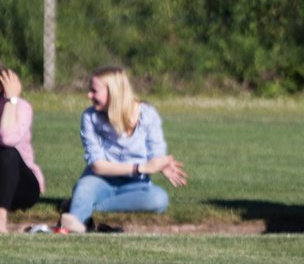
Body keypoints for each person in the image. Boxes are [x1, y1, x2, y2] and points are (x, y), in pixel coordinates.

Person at [58, 66, 187, 233]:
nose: (89, 95)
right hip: (98, 179)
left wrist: (161, 164)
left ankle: (81, 202)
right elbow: (98, 166)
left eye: (94, 91)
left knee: (159, 199)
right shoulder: (90, 118)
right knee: (85, 187)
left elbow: (156, 155)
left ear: (114, 92)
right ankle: (77, 222)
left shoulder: (147, 115)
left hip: (135, 184)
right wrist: (139, 168)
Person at [0, 66, 44, 233]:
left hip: (22, 185)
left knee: (8, 153)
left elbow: (7, 138)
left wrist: (11, 99)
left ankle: (1, 217)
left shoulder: (21, 107)